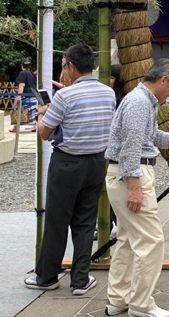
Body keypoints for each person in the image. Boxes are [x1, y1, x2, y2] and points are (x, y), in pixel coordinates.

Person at [24, 44, 116, 295]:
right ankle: (80, 280)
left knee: (57, 220)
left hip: (67, 163)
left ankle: (47, 276)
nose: (63, 70)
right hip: (96, 162)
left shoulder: (65, 97)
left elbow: (45, 133)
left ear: (71, 66)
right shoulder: (108, 93)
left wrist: (41, 114)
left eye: (64, 65)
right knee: (85, 222)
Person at [104, 59, 169, 317]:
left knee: (128, 240)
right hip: (132, 175)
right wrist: (134, 186)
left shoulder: (142, 100)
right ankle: (141, 304)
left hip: (126, 173)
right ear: (163, 80)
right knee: (151, 240)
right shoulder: (140, 102)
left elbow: (148, 136)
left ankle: (118, 299)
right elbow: (131, 145)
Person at [11, 58, 38, 132]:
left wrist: (19, 96)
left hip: (26, 96)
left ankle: (16, 127)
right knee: (34, 112)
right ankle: (35, 126)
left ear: (22, 65)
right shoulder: (32, 74)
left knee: (17, 109)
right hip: (34, 95)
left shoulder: (22, 73)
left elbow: (22, 85)